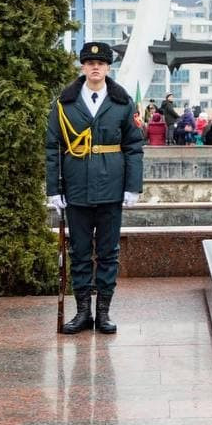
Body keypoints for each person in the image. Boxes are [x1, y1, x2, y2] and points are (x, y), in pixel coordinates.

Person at [46, 42, 144, 335]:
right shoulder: (65, 103)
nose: (95, 68)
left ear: (108, 68)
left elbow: (133, 146)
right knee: (79, 252)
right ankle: (82, 313)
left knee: (108, 252)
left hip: (111, 186)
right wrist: (54, 189)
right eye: (90, 63)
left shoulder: (122, 102)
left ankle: (103, 312)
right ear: (83, 67)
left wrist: (133, 187)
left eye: (100, 63)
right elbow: (53, 148)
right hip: (76, 187)